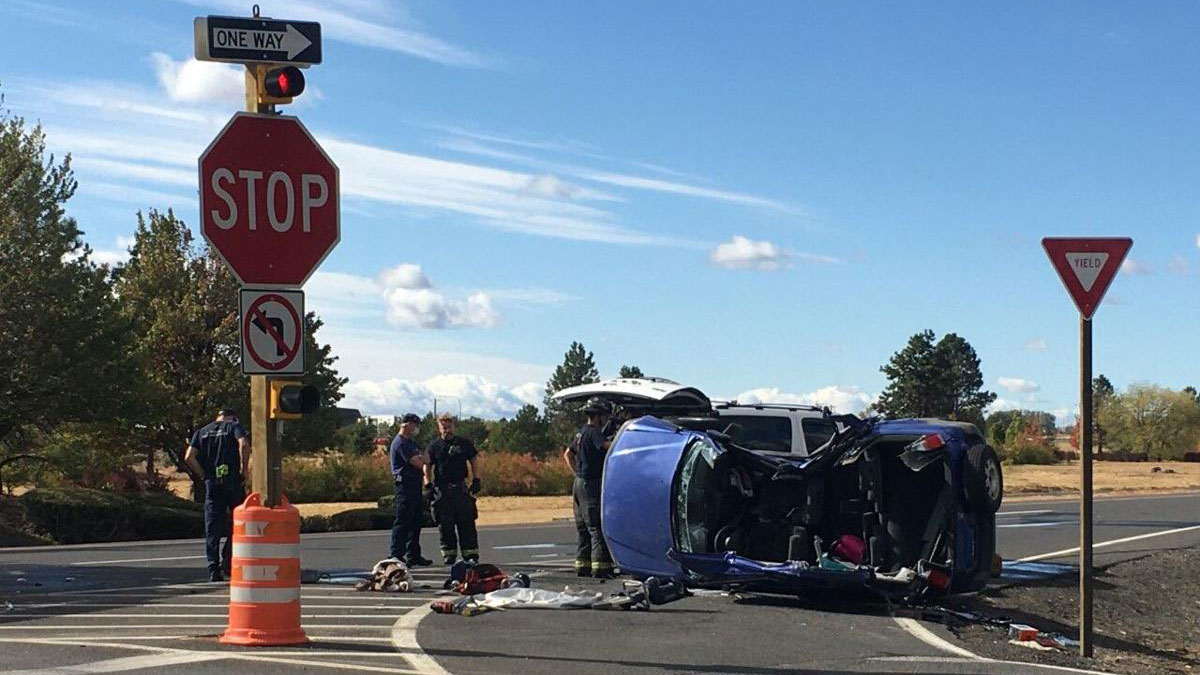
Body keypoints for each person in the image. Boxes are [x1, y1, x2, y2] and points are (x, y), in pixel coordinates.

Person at [184, 408, 249, 582]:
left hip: (212, 483)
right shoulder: (234, 427)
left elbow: (189, 456)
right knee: (239, 523)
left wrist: (203, 474)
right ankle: (227, 559)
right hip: (233, 481)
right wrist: (244, 469)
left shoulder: (202, 432)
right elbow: (244, 444)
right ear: (232, 418)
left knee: (212, 526)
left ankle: (213, 567)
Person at [563, 397, 615, 579]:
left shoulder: (581, 433)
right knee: (596, 527)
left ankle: (582, 566)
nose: (606, 420)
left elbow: (567, 454)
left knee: (583, 528)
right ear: (598, 416)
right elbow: (608, 447)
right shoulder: (594, 433)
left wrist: (577, 473)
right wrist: (621, 440)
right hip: (590, 484)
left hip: (578, 483)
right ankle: (601, 568)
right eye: (605, 416)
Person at [424, 413, 481, 565]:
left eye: (449, 427)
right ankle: (449, 555)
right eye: (444, 427)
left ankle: (470, 554)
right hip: (442, 489)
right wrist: (427, 484)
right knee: (445, 525)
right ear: (439, 428)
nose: (447, 430)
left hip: (460, 488)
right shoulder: (434, 446)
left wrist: (476, 479)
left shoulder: (463, 444)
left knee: (467, 523)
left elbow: (474, 460)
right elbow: (427, 465)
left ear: (453, 427)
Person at [390, 413, 433, 566]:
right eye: (415, 424)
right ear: (406, 424)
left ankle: (413, 554)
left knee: (415, 521)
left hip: (414, 485)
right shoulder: (401, 443)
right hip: (404, 486)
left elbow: (425, 459)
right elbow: (419, 462)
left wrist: (424, 459)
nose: (416, 428)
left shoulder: (411, 442)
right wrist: (423, 459)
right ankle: (396, 554)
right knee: (403, 521)